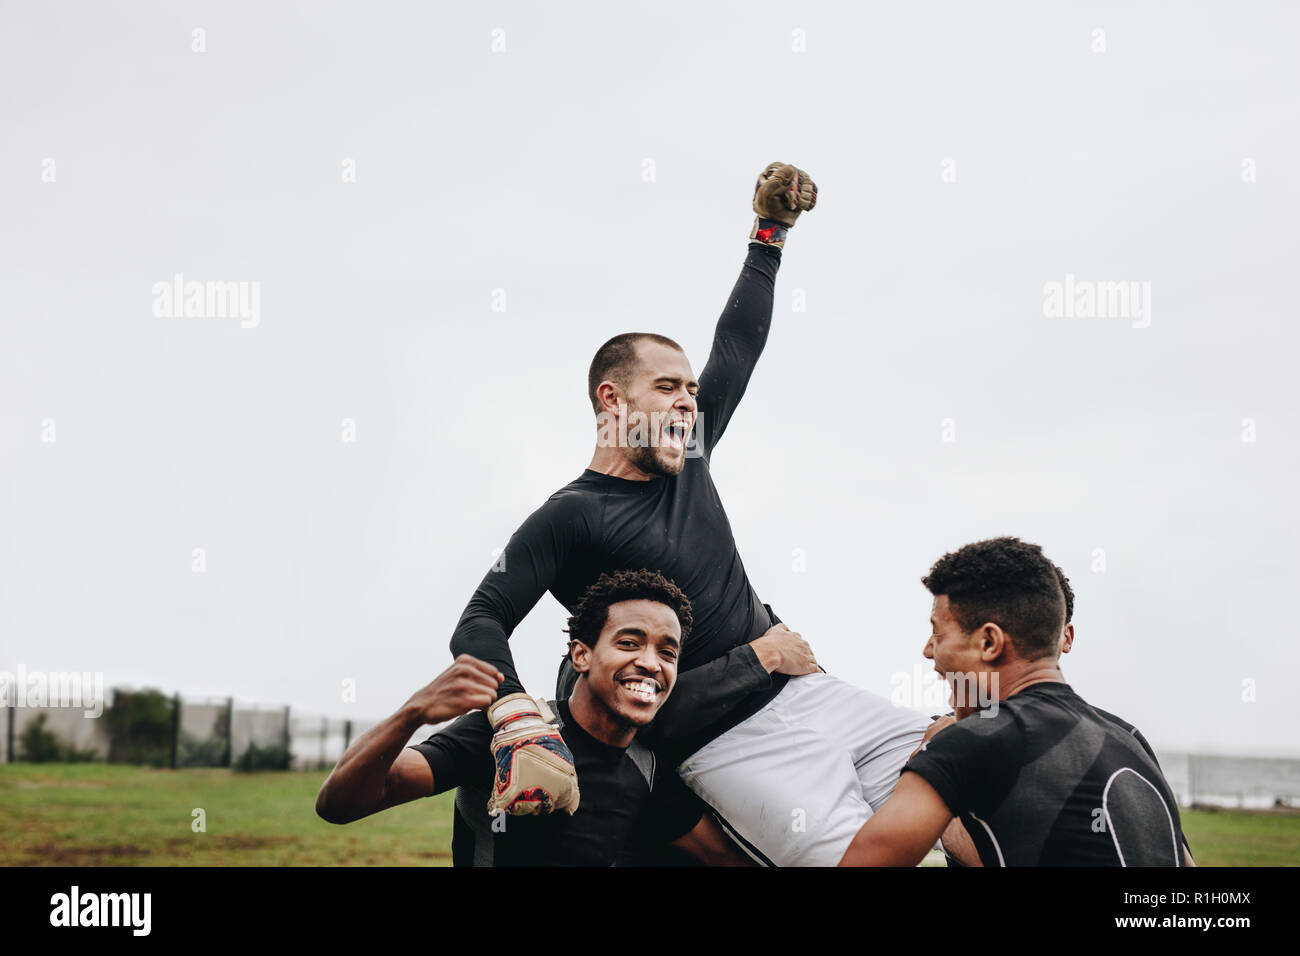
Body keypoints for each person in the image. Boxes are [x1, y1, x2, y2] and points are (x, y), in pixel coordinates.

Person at [448, 161, 946, 867]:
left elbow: (737, 347)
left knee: (965, 758)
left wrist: (770, 234)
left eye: (691, 389)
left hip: (813, 689)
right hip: (725, 740)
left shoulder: (693, 454)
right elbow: (479, 620)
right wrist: (516, 716)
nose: (689, 400)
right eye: (667, 387)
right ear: (611, 401)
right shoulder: (571, 517)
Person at [316, 569, 751, 866]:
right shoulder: (510, 733)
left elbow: (723, 859)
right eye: (630, 642)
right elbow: (339, 805)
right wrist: (413, 713)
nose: (651, 663)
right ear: (581, 655)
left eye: (667, 651)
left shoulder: (648, 769)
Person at [838, 537, 1194, 867]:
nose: (928, 650)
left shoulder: (968, 742)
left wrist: (933, 759)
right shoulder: (1127, 739)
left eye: (938, 633)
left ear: (990, 642)